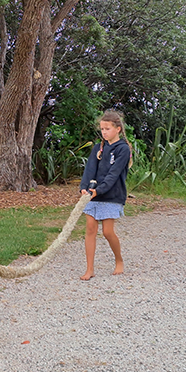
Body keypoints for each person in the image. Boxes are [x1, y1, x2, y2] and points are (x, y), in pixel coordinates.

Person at [79, 110, 132, 281]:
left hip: (111, 195)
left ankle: (119, 260)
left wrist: (99, 190)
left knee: (108, 232)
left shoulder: (123, 149)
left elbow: (113, 174)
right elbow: (90, 169)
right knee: (90, 229)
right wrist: (84, 188)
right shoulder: (98, 148)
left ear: (117, 129)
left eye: (107, 128)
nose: (104, 132)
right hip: (93, 195)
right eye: (102, 129)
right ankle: (89, 269)